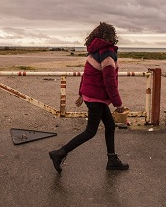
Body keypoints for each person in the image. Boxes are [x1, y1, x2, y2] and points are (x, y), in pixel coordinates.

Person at [49, 22, 129, 173]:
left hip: (92, 96)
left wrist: (81, 93)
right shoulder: (107, 53)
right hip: (96, 98)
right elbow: (109, 82)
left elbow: (87, 75)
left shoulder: (94, 51)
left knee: (110, 126)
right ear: (111, 35)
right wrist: (118, 103)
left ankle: (112, 159)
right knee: (90, 131)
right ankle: (59, 153)